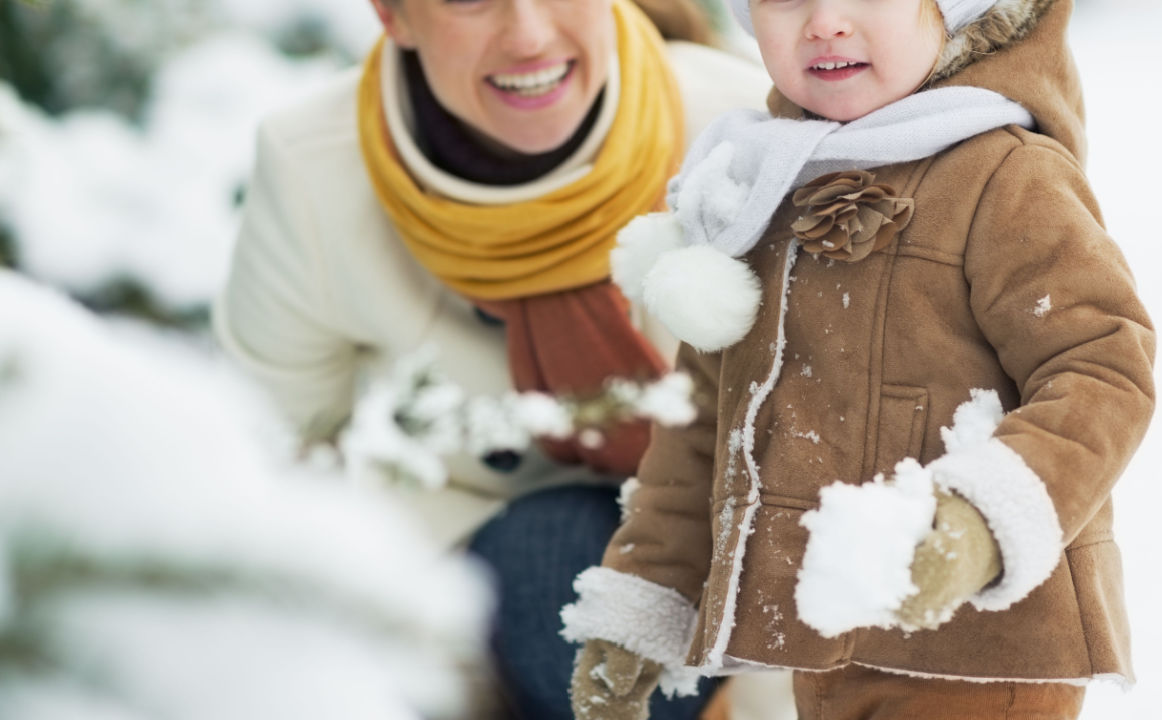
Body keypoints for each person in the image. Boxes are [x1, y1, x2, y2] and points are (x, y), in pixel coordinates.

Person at [562, 0, 1155, 718]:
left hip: (985, 651)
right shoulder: (761, 187)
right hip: (829, 637)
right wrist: (643, 606)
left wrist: (980, 522)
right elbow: (702, 435)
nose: (826, 22)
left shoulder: (1005, 176)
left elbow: (1101, 368)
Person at [213, 0, 778, 717]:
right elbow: (274, 448)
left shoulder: (743, 125)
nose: (530, 36)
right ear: (394, 14)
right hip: (483, 552)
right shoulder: (314, 173)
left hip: (739, 541)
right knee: (558, 564)